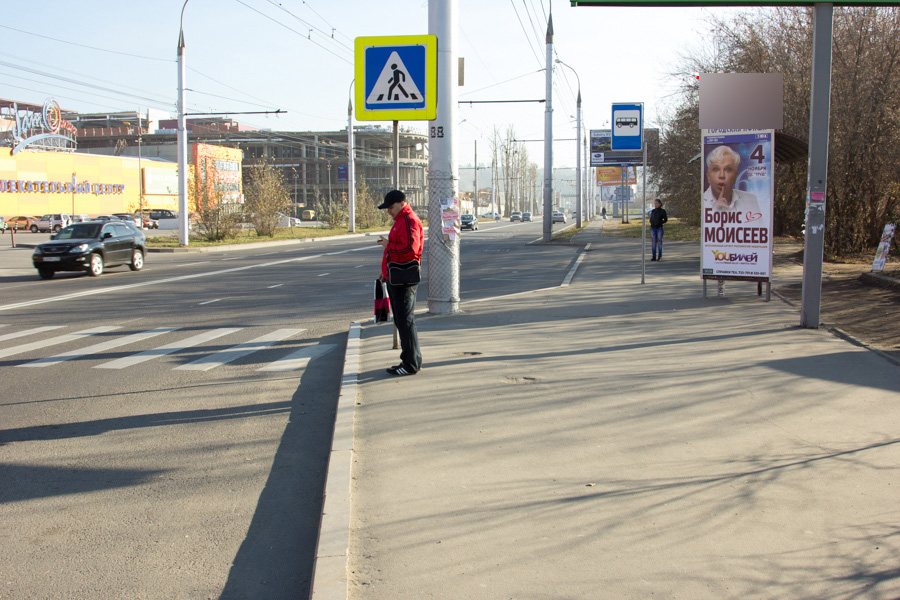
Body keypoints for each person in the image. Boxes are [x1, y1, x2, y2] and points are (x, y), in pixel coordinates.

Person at [377, 190, 424, 376]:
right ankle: (411, 360)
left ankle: (410, 364)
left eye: (390, 207)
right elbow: (397, 250)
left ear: (401, 203)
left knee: (405, 321)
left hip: (404, 279)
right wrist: (384, 272)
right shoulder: (401, 220)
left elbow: (410, 249)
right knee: (402, 320)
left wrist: (387, 245)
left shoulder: (409, 220)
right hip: (396, 276)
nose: (388, 211)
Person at [702, 145, 761, 215]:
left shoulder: (750, 200)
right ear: (708, 176)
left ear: (736, 176)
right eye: (716, 169)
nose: (722, 175)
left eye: (728, 169)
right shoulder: (700, 201)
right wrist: (714, 212)